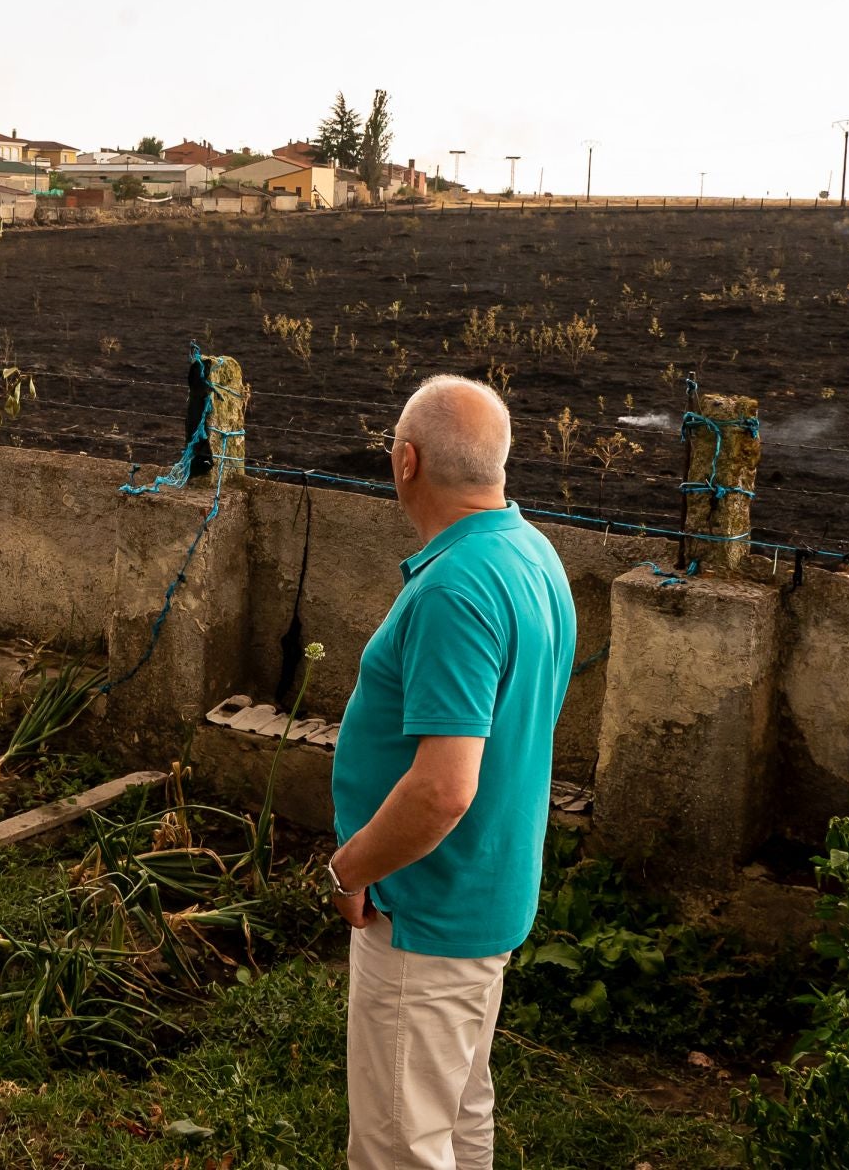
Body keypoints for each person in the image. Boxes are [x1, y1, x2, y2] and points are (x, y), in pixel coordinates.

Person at [327, 375, 576, 1170]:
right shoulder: (529, 552)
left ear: (407, 461)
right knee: (460, 1117)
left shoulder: (455, 591)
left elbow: (443, 789)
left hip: (428, 913)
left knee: (401, 1147)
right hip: (484, 896)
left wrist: (349, 869)